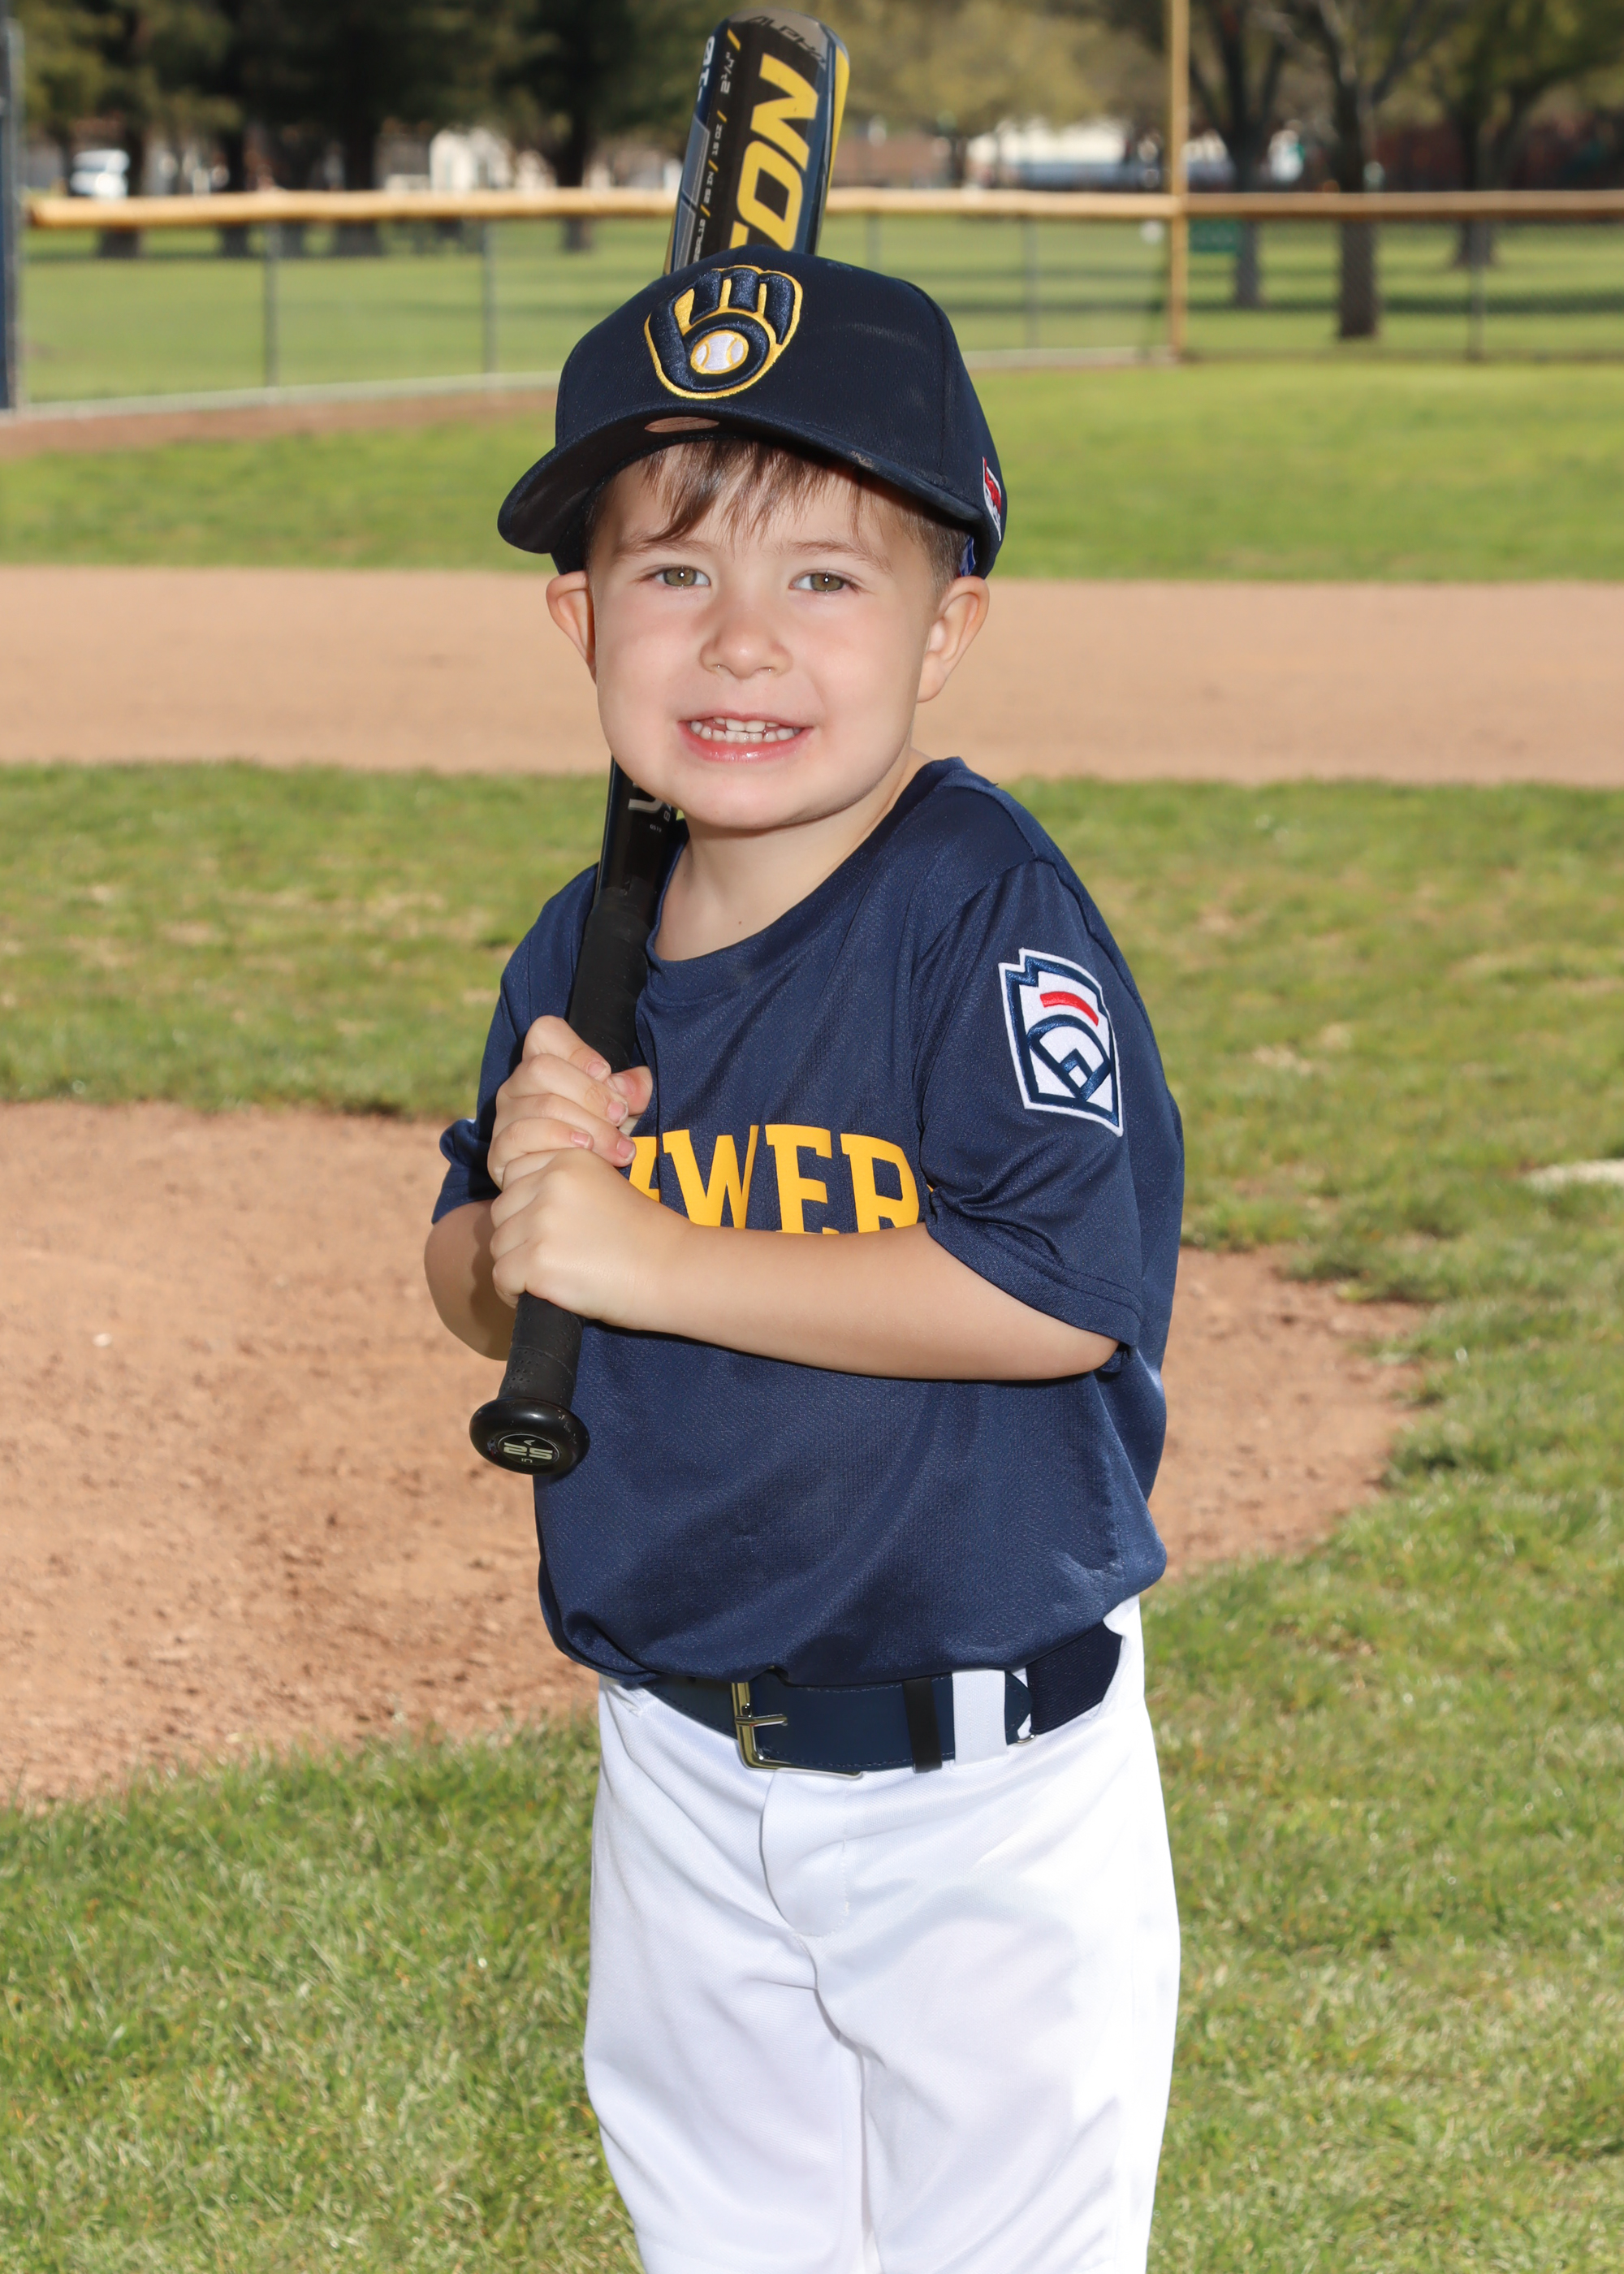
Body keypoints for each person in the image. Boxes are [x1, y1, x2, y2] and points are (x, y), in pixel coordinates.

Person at [425, 248, 1184, 2274]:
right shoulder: (581, 945)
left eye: (827, 577)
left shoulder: (980, 910)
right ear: (580, 619)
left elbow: (1055, 1291)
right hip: (680, 1749)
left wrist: (649, 1252)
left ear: (949, 628)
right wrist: (519, 1229)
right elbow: (480, 1272)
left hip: (981, 1783)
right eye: (673, 572)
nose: (741, 636)